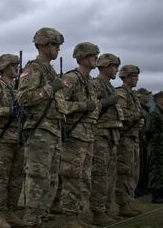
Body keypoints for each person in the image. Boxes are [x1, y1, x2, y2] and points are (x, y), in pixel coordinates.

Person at [17, 27, 66, 227]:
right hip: (39, 131)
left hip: (52, 130)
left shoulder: (49, 69)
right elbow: (23, 98)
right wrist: (50, 88)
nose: (58, 50)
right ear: (45, 46)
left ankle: (40, 215)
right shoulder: (34, 69)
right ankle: (31, 220)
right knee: (38, 178)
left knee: (51, 179)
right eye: (55, 45)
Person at [0, 54, 30, 228]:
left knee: (16, 179)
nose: (16, 67)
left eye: (17, 64)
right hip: (0, 140)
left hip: (18, 140)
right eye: (13, 65)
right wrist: (8, 111)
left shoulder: (18, 88)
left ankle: (10, 211)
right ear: (3, 67)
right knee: (1, 179)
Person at [58, 42, 100, 228]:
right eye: (92, 55)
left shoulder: (90, 81)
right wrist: (82, 106)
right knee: (72, 176)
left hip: (89, 134)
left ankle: (77, 215)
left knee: (84, 177)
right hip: (74, 135)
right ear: (82, 57)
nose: (96, 59)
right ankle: (70, 218)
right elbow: (60, 105)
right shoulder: (71, 79)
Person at [89, 53, 122, 225]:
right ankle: (98, 211)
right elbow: (94, 107)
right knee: (100, 174)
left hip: (111, 134)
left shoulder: (109, 86)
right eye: (114, 66)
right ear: (106, 66)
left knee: (110, 175)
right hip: (100, 133)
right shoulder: (96, 84)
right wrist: (108, 102)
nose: (116, 69)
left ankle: (106, 209)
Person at [115, 64, 144, 217]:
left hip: (133, 138)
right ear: (125, 77)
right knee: (124, 172)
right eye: (133, 76)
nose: (136, 79)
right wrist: (137, 116)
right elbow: (122, 114)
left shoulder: (132, 94)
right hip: (124, 138)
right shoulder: (121, 93)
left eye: (136, 76)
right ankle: (123, 205)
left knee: (133, 172)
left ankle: (128, 202)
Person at [145, 91, 163, 204]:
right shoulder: (154, 114)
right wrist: (162, 136)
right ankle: (156, 194)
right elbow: (149, 131)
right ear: (159, 99)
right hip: (156, 146)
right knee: (156, 170)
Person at [135, 88, 151, 198]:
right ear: (140, 96)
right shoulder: (139, 108)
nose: (148, 97)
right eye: (146, 95)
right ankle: (137, 188)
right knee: (138, 164)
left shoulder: (146, 109)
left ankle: (142, 186)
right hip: (138, 139)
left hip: (144, 140)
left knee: (144, 164)